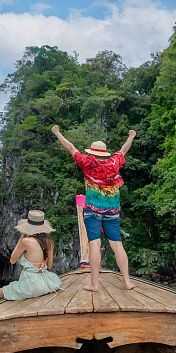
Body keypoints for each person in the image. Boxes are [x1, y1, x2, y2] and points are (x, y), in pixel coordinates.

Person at [51, 125, 136, 291]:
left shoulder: (87, 162)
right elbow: (124, 149)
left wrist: (58, 133)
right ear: (104, 153)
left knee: (95, 244)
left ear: (92, 152)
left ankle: (94, 284)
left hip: (92, 210)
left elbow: (70, 147)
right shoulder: (114, 162)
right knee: (117, 245)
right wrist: (131, 136)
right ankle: (127, 282)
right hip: (112, 211)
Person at [0, 210, 62, 304]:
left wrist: (21, 238)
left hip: (31, 285)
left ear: (29, 227)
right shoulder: (50, 242)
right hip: (46, 283)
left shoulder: (25, 241)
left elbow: (12, 260)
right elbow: (49, 266)